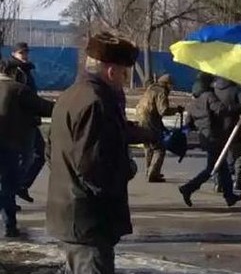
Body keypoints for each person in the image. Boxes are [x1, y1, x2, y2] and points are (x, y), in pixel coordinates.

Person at [46, 32, 154, 273]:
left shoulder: (71, 95)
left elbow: (52, 150)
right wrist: (127, 169)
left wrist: (147, 135)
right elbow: (92, 168)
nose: (126, 81)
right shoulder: (96, 102)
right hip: (89, 221)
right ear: (111, 72)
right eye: (125, 73)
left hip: (71, 214)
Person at [179, 73, 241, 207]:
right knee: (212, 168)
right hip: (214, 137)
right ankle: (188, 188)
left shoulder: (194, 102)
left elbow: (189, 124)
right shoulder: (208, 96)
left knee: (221, 167)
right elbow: (222, 110)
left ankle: (229, 196)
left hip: (205, 137)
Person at [0, 59, 54, 237]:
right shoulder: (17, 89)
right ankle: (10, 226)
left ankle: (10, 225)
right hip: (9, 145)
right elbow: (44, 107)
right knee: (8, 186)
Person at [7, 42, 45, 204]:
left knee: (34, 156)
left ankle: (16, 189)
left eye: (26, 52)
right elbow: (19, 97)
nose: (25, 55)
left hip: (28, 120)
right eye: (21, 53)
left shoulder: (25, 70)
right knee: (29, 157)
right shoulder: (17, 71)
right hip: (22, 121)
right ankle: (14, 191)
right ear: (14, 54)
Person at [135, 74, 182, 183]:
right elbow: (163, 110)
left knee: (148, 146)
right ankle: (153, 174)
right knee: (159, 148)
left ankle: (149, 171)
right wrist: (176, 110)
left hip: (141, 119)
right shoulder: (161, 92)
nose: (172, 88)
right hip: (150, 120)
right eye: (171, 85)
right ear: (166, 84)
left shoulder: (151, 89)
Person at [213, 77, 241, 191]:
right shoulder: (235, 90)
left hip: (217, 127)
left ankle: (218, 182)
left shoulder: (213, 90)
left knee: (220, 155)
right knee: (239, 154)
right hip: (233, 127)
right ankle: (238, 181)